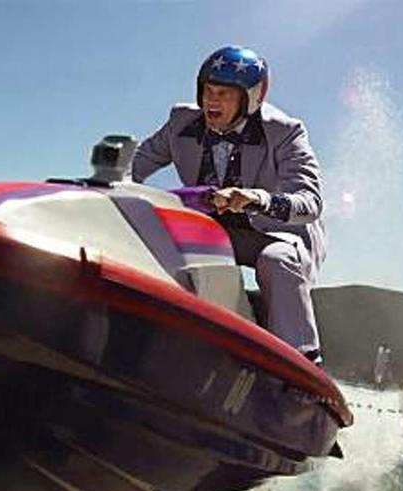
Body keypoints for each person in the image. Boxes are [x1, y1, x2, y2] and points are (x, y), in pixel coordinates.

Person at [131, 45, 325, 364]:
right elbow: (138, 162)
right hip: (210, 230)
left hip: (274, 233)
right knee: (153, 236)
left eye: (224, 93)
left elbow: (310, 203)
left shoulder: (285, 132)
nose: (212, 100)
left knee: (278, 261)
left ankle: (302, 361)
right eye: (208, 90)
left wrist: (255, 199)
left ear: (250, 99)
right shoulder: (181, 122)